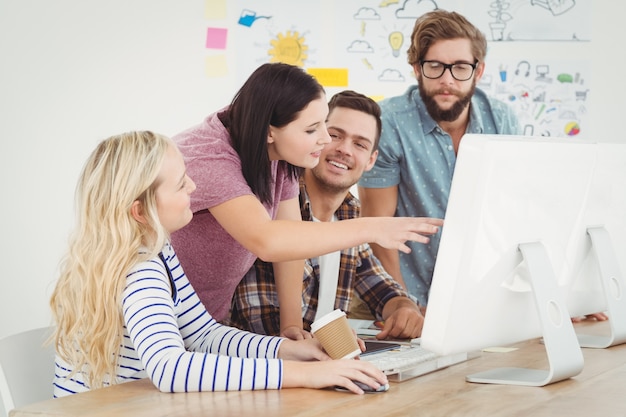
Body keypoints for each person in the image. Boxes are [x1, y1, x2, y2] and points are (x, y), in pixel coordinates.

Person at [49, 131, 389, 397]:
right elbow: (170, 368)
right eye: (182, 184)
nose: (195, 187)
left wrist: (291, 350)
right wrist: (306, 375)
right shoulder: (140, 270)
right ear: (141, 211)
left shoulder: (157, 253)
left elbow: (203, 335)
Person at [170, 62, 443, 340]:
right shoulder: (211, 158)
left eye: (324, 123)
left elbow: (288, 244)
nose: (325, 139)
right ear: (269, 130)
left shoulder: (276, 151)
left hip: (201, 322)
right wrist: (373, 227)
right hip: (159, 322)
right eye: (313, 129)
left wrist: (291, 327)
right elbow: (268, 240)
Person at [227, 90, 434, 340]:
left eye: (359, 144)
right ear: (316, 138)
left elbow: (381, 287)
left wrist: (404, 309)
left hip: (322, 370)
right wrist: (338, 345)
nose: (344, 150)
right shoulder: (270, 207)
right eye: (335, 135)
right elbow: (262, 327)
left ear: (371, 161)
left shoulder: (349, 216)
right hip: (270, 372)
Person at [357, 10, 521, 307]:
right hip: (406, 292)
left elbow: (515, 217)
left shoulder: (502, 121)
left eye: (460, 67)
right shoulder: (388, 123)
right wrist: (401, 303)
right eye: (435, 66)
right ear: (417, 68)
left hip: (483, 297)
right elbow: (377, 227)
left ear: (478, 70)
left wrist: (550, 295)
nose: (447, 80)